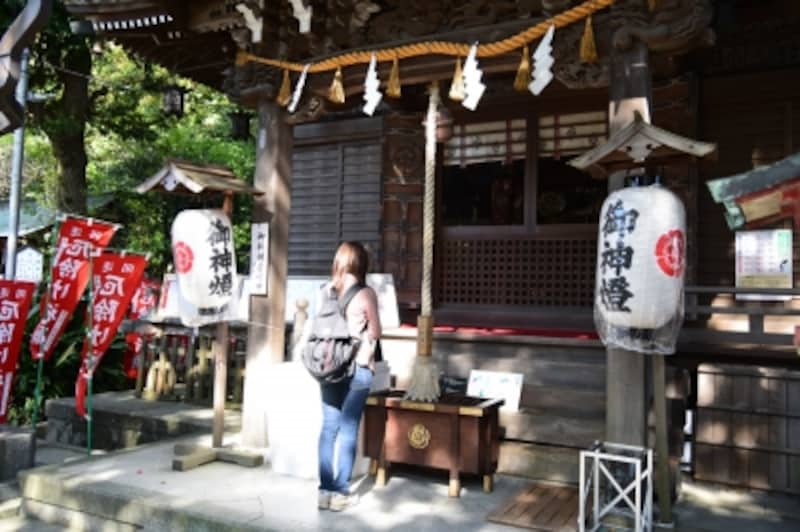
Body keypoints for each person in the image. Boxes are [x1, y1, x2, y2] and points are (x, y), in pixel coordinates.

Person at [317, 241, 381, 512]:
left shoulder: (326, 291)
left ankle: (324, 491)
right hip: (357, 367)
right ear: (361, 263)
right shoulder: (366, 294)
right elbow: (376, 331)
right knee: (348, 429)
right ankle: (341, 491)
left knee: (328, 428)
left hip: (329, 367)